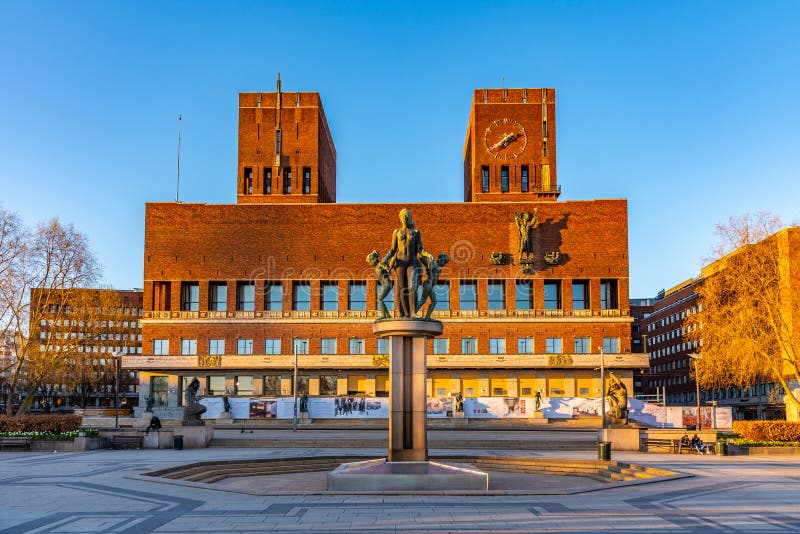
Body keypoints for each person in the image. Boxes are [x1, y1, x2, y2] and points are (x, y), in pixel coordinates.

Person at [382, 209, 433, 318]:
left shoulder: (416, 232)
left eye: (406, 215)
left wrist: (428, 255)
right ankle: (403, 313)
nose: (404, 217)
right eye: (402, 215)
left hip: (412, 262)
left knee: (412, 286)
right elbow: (393, 249)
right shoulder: (396, 232)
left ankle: (413, 312)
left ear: (410, 217)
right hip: (400, 262)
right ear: (400, 218)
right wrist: (385, 258)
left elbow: (420, 249)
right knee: (401, 287)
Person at [416, 252, 450, 319]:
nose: (444, 265)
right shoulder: (433, 264)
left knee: (434, 302)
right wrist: (429, 262)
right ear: (441, 260)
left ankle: (427, 317)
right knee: (423, 300)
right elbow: (422, 258)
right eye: (445, 262)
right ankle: (413, 312)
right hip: (428, 283)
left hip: (431, 285)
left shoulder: (438, 268)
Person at [366, 250, 394, 319]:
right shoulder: (378, 266)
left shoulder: (380, 264)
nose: (370, 264)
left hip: (387, 283)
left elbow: (388, 269)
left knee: (379, 299)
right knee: (379, 299)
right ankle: (388, 315)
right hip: (384, 284)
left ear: (374, 259)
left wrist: (386, 266)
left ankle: (384, 315)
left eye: (370, 262)